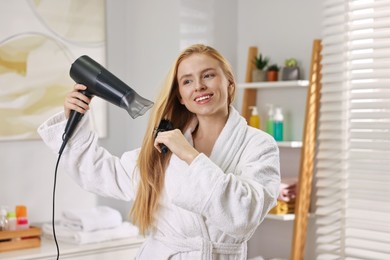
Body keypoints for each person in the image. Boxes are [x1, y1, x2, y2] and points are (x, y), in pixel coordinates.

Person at [38, 44, 280, 259]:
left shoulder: (259, 145)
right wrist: (75, 123)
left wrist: (189, 155)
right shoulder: (164, 144)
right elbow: (101, 174)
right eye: (187, 81)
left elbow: (244, 215)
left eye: (208, 75)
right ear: (182, 98)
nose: (199, 86)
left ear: (229, 83)